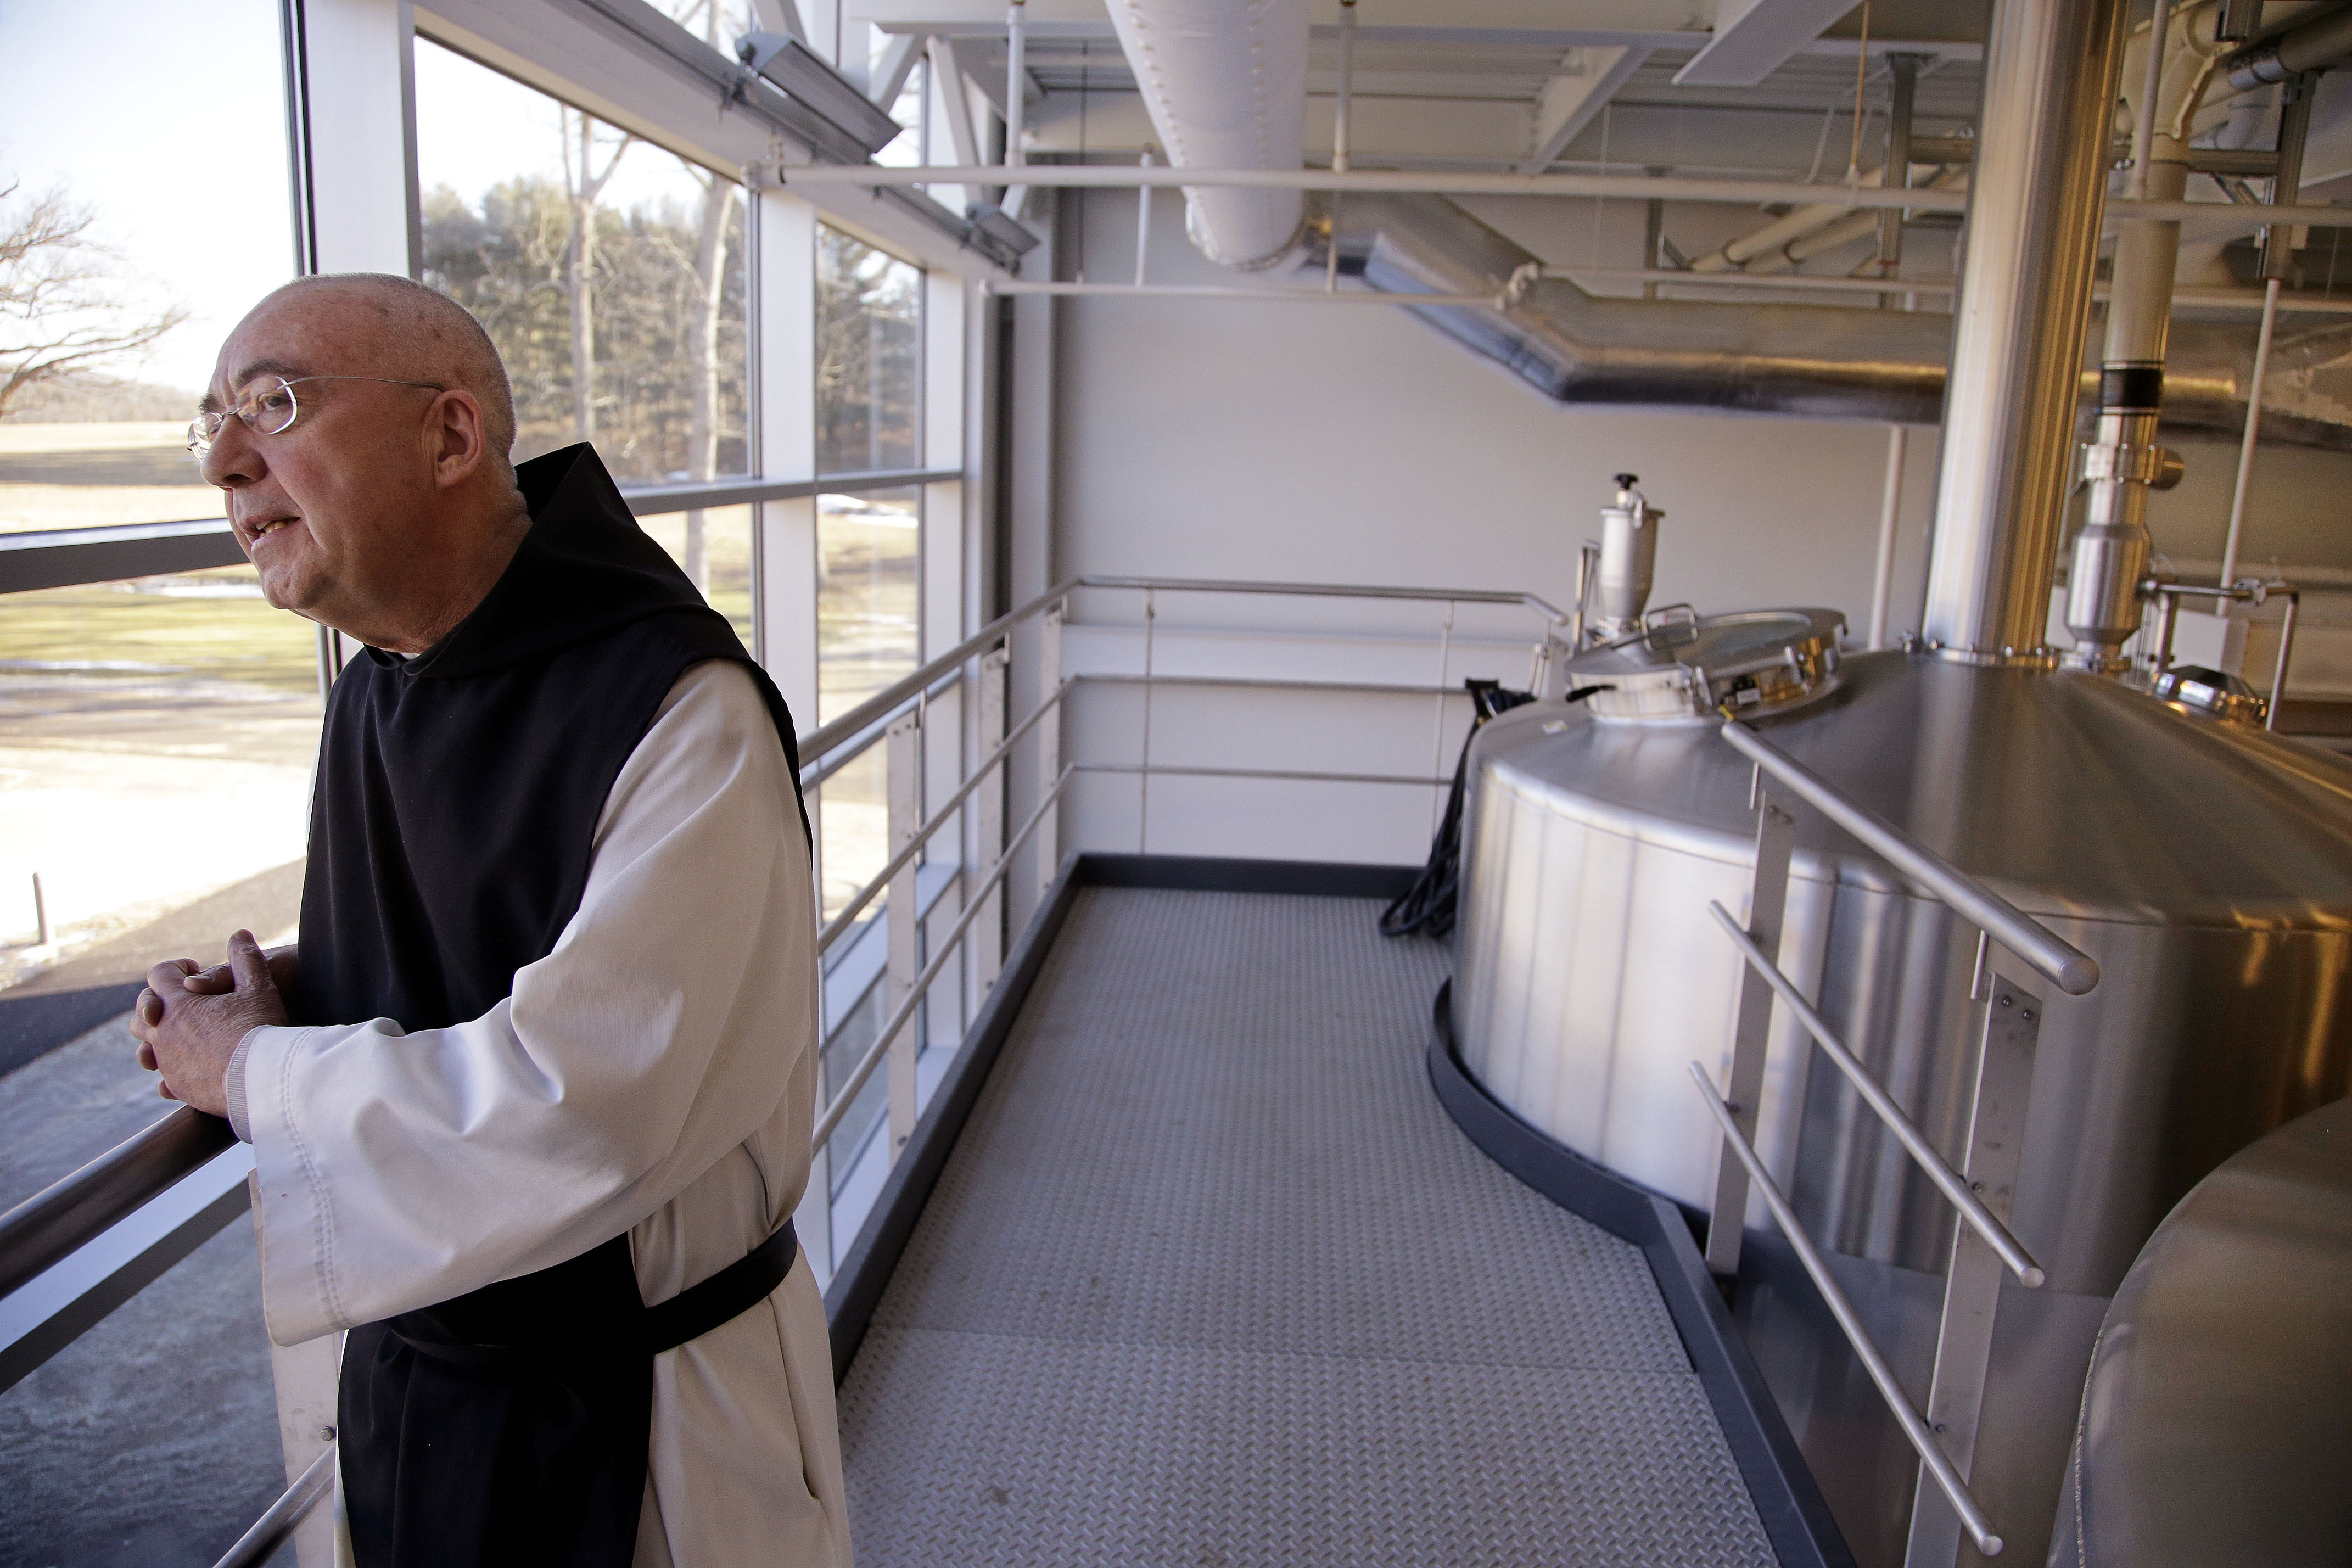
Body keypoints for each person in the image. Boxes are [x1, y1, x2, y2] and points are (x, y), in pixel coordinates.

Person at [128, 273, 850, 1568]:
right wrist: (306, 982)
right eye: (214, 424)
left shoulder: (681, 712)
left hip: (646, 1422)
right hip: (420, 1388)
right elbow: (499, 935)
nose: (229, 464)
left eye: (275, 405)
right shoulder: (376, 688)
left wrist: (247, 1073)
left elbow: (590, 1098)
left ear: (451, 438)